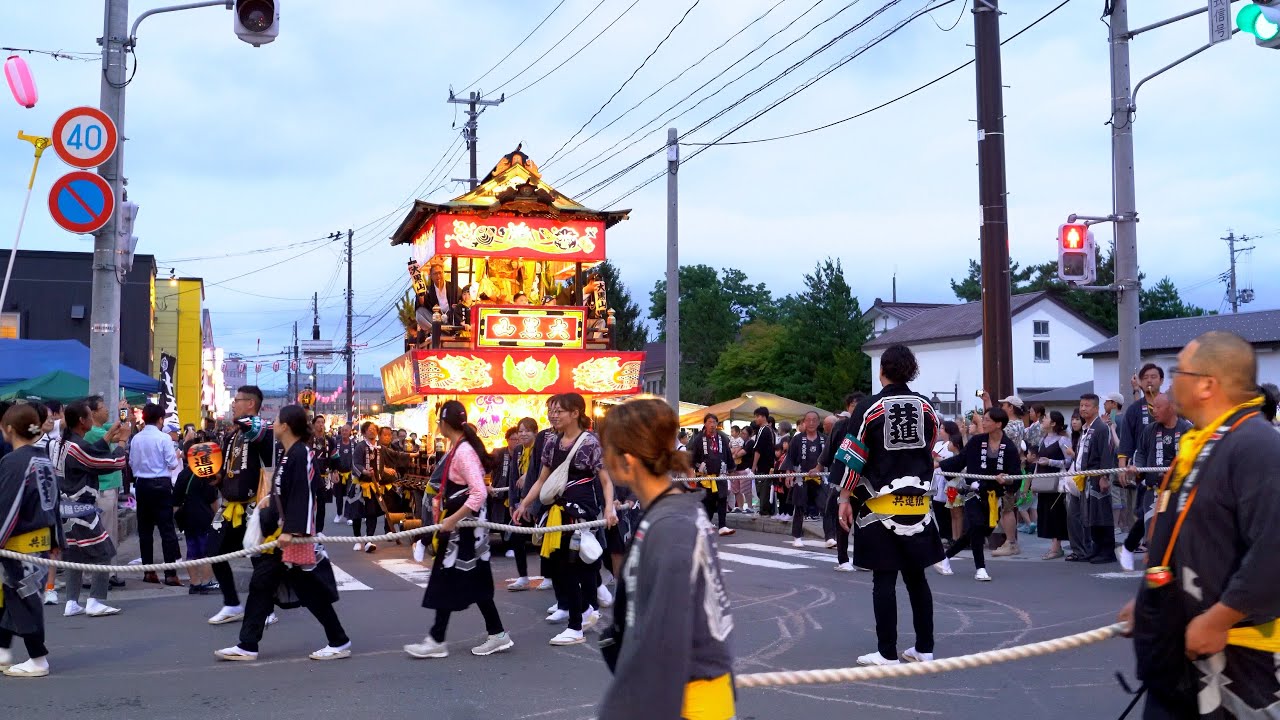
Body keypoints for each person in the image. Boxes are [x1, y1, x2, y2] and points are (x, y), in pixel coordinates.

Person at [1118, 332, 1280, 717]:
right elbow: (1192, 538)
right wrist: (1152, 599)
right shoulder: (1202, 442)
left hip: (1239, 663)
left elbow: (1273, 549)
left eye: (1179, 373)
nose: (1170, 384)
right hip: (1181, 653)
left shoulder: (1257, 445)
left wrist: (1220, 618)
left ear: (1207, 384)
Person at [596, 398, 735, 720]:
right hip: (688, 692)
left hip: (684, 701)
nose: (603, 460)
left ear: (627, 461)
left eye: (607, 451)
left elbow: (666, 638)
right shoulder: (672, 511)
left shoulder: (671, 525)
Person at [215, 405, 351, 662]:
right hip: (280, 536)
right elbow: (286, 488)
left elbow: (305, 493)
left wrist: (293, 530)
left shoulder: (301, 453)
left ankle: (339, 640)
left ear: (286, 426)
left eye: (276, 420)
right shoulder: (290, 452)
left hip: (290, 536)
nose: (273, 424)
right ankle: (248, 644)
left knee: (304, 590)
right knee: (263, 585)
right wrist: (272, 498)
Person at [836, 345, 944, 665]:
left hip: (878, 501)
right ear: (911, 371)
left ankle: (887, 652)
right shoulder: (926, 408)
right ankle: (924, 647)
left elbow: (853, 456)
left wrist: (844, 498)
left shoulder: (870, 408)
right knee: (916, 576)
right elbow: (930, 448)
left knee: (884, 577)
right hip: (916, 500)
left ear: (882, 370)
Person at [404, 401, 513, 659]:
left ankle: (439, 639)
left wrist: (452, 519)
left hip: (464, 529)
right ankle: (491, 634)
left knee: (450, 580)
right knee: (466, 581)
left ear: (443, 423)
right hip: (464, 529)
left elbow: (477, 493)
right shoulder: (461, 447)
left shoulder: (463, 451)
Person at [514, 393, 618, 646]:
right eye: (552, 411)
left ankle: (576, 626)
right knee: (566, 566)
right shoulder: (551, 443)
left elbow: (605, 480)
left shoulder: (590, 443)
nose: (553, 415)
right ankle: (586, 610)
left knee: (572, 566)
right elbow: (541, 479)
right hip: (556, 511)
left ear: (575, 413)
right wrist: (524, 503)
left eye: (559, 411)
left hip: (580, 511)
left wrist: (609, 508)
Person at [52, 400, 131, 618]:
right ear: (82, 421)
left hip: (64, 509)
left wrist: (109, 436)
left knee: (73, 556)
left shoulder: (59, 443)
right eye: (89, 415)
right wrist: (122, 441)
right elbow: (112, 463)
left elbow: (90, 453)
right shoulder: (77, 447)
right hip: (81, 510)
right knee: (104, 552)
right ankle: (95, 600)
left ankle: (71, 601)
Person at [0, 403, 61, 677]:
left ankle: (38, 659)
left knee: (22, 599)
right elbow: (54, 503)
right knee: (9, 597)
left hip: (19, 542)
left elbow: (8, 506)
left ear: (9, 429)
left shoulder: (14, 461)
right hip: (40, 539)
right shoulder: (42, 458)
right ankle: (3, 650)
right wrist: (57, 539)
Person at [207, 386, 276, 626]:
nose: (233, 404)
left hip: (253, 506)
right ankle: (232, 604)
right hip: (230, 505)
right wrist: (218, 478)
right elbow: (228, 466)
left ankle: (267, 608)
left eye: (237, 400)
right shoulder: (232, 434)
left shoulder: (262, 429)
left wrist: (244, 420)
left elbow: (256, 430)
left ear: (250, 404)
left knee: (259, 558)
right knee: (215, 552)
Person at [937, 407, 1020, 582]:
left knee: (982, 530)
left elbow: (1015, 475)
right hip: (973, 491)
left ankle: (945, 557)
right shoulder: (977, 442)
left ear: (998, 424)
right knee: (975, 525)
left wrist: (1007, 480)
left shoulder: (1009, 447)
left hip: (994, 496)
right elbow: (961, 459)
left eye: (987, 420)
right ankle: (980, 568)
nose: (983, 422)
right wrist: (937, 465)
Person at [1118, 393, 1189, 572]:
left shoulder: (1187, 429)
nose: (1153, 411)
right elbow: (1140, 453)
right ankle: (1156, 571)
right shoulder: (1150, 430)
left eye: (1158, 407)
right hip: (1155, 491)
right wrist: (1137, 467)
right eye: (1152, 407)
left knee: (1180, 534)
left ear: (1171, 407)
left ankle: (1173, 571)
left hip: (1179, 492)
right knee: (1154, 534)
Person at [129, 403, 183, 587]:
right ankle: (170, 574)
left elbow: (132, 463)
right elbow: (172, 464)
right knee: (167, 530)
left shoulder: (136, 438)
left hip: (142, 484)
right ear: (160, 419)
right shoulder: (163, 438)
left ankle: (149, 571)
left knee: (145, 530)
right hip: (161, 485)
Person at [824, 392, 866, 571]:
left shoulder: (871, 423)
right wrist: (821, 465)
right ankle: (844, 559)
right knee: (844, 519)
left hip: (864, 479)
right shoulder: (841, 425)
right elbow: (830, 450)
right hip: (846, 478)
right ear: (848, 407)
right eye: (854, 406)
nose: (857, 409)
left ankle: (861, 559)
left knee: (863, 520)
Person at [1074, 393, 1117, 564]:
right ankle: (1096, 549)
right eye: (1081, 405)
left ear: (1096, 408)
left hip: (1097, 475)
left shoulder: (1101, 428)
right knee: (1092, 515)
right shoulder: (1086, 428)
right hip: (1086, 477)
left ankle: (1107, 552)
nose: (1083, 408)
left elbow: (1106, 453)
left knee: (1102, 514)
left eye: (1087, 406)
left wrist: (1104, 476)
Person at [1032, 411, 1074, 561]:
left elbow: (1069, 462)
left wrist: (1050, 462)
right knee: (1045, 513)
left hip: (1057, 483)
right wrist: (1033, 481)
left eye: (1046, 418)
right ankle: (1054, 546)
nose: (1043, 420)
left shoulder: (1063, 439)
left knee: (1056, 512)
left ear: (1053, 423)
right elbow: (1038, 461)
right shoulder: (1043, 439)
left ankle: (1056, 547)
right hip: (1043, 482)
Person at [505, 417, 540, 592]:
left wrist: (528, 476)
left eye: (527, 430)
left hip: (539, 501)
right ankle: (523, 576)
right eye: (520, 431)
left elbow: (542, 474)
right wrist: (512, 502)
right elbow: (512, 478)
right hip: (521, 502)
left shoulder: (540, 449)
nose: (523, 434)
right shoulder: (518, 450)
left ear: (535, 432)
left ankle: (549, 576)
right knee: (517, 537)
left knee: (543, 539)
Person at [784, 411, 825, 548]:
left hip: (820, 477)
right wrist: (789, 473)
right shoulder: (797, 439)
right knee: (799, 507)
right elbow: (790, 457)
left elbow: (830, 458)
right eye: (809, 420)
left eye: (814, 420)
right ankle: (797, 536)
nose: (811, 423)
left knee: (826, 507)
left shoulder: (824, 439)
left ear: (818, 422)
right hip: (801, 476)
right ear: (804, 422)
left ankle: (830, 537)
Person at [688, 413, 734, 537]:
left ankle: (722, 526)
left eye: (714, 422)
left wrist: (731, 470)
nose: (712, 425)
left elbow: (728, 454)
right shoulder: (698, 439)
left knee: (722, 499)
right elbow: (692, 458)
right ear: (705, 424)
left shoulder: (722, 438)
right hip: (705, 476)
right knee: (708, 501)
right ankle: (705, 524)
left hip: (720, 474)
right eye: (709, 422)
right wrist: (692, 472)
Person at [348, 422, 384, 553]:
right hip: (360, 485)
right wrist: (364, 471)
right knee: (357, 514)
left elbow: (392, 456)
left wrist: (410, 455)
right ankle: (357, 539)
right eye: (369, 429)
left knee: (372, 513)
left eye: (374, 429)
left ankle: (369, 540)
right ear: (364, 432)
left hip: (373, 486)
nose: (372, 431)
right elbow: (355, 463)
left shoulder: (380, 447)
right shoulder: (360, 446)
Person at [749, 407, 776, 517]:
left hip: (763, 465)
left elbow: (758, 449)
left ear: (763, 417)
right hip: (770, 464)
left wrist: (753, 466)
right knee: (767, 488)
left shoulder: (763, 430)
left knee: (763, 489)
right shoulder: (771, 430)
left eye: (757, 416)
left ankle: (764, 511)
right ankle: (768, 510)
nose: (756, 419)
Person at [331, 424, 354, 525]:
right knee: (338, 495)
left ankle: (349, 516)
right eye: (343, 430)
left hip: (350, 474)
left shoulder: (354, 444)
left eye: (346, 430)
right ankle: (339, 513)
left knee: (350, 495)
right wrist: (334, 471)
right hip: (339, 473)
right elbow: (332, 458)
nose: (344, 432)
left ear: (350, 432)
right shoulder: (336, 444)